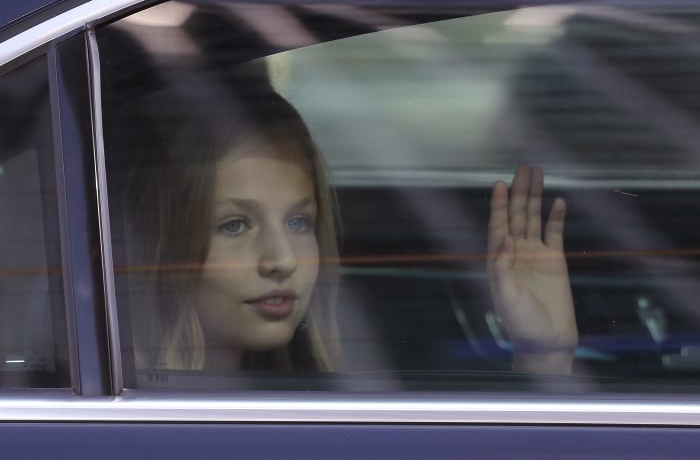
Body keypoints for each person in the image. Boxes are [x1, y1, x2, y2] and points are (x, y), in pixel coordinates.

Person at [112, 68, 577, 378]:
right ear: (161, 242)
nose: (282, 260)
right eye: (234, 225)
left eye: (299, 222)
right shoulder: (119, 421)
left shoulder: (317, 403)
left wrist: (545, 358)